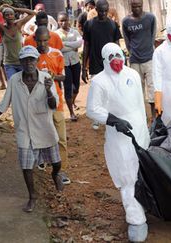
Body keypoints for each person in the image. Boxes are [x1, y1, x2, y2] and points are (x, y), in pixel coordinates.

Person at [0, 45, 64, 213]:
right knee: (26, 167)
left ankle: (55, 174)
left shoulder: (46, 78)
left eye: (32, 59)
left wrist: (50, 90)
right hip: (25, 130)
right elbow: (5, 101)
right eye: (25, 60)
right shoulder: (14, 80)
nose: (29, 63)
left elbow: (53, 104)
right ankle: (32, 197)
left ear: (37, 61)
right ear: (20, 62)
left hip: (44, 128)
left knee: (56, 162)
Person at [86, 43, 149, 242]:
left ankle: (147, 206)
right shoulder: (99, 81)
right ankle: (136, 219)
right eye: (111, 56)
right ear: (105, 58)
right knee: (127, 175)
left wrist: (145, 127)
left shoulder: (133, 74)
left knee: (142, 171)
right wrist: (113, 120)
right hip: (118, 134)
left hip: (139, 129)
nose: (116, 59)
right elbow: (92, 109)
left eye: (119, 54)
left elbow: (140, 103)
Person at [35, 26, 71, 185]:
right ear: (35, 40)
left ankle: (62, 170)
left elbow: (63, 76)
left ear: (49, 39)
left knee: (61, 137)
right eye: (39, 40)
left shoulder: (57, 54)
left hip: (56, 102)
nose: (42, 43)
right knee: (42, 135)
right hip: (38, 103)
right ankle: (42, 159)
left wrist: (52, 76)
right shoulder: (32, 56)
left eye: (45, 40)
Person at [83, 0, 121, 130]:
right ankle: (96, 119)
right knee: (96, 92)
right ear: (96, 10)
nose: (103, 13)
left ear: (108, 9)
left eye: (105, 11)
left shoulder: (113, 25)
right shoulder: (89, 24)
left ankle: (112, 116)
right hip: (95, 63)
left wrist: (121, 62)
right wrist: (84, 67)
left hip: (111, 63)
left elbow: (117, 46)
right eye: (101, 11)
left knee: (112, 90)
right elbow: (86, 45)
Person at [122, 0, 157, 120]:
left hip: (149, 59)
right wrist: (132, 52)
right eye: (134, 6)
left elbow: (153, 35)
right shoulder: (126, 21)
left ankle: (154, 117)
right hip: (135, 61)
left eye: (139, 6)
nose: (137, 9)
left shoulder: (150, 18)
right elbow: (127, 40)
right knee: (137, 90)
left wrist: (148, 48)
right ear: (130, 6)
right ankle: (142, 116)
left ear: (142, 5)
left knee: (152, 89)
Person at [0, 3, 36, 79]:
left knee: (24, 84)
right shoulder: (2, 28)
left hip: (21, 62)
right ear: (4, 17)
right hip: (9, 64)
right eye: (7, 15)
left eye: (11, 14)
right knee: (13, 84)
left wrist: (15, 9)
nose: (10, 16)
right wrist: (0, 8)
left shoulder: (18, 24)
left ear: (14, 15)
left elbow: (33, 13)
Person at [56, 11, 83, 121]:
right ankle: (71, 113)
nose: (63, 23)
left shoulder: (74, 31)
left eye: (65, 20)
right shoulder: (56, 34)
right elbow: (58, 48)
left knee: (76, 88)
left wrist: (65, 44)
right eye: (61, 21)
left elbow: (79, 43)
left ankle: (71, 102)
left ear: (69, 20)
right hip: (64, 64)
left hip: (75, 62)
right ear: (58, 22)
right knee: (68, 88)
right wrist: (72, 46)